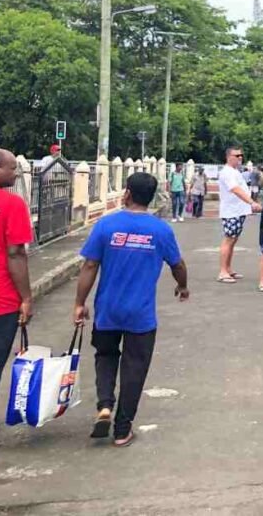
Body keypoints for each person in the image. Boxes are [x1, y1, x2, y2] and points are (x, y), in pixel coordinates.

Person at [73, 171, 189, 447]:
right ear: (151, 198)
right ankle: (122, 429)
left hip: (107, 310)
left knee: (105, 355)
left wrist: (79, 303)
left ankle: (104, 405)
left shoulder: (106, 225)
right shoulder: (160, 230)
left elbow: (90, 265)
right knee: (135, 368)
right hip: (141, 314)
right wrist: (182, 286)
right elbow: (178, 265)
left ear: (126, 193)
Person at [0, 148, 34, 452]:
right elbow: (15, 253)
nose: (16, 174)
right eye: (11, 168)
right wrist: (27, 297)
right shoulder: (10, 204)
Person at [217, 146, 261, 284]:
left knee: (233, 240)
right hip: (231, 211)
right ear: (229, 157)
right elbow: (235, 189)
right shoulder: (227, 172)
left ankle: (228, 269)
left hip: (238, 210)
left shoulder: (235, 172)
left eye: (241, 155)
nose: (240, 158)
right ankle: (223, 271)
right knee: (229, 239)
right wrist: (251, 202)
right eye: (237, 156)